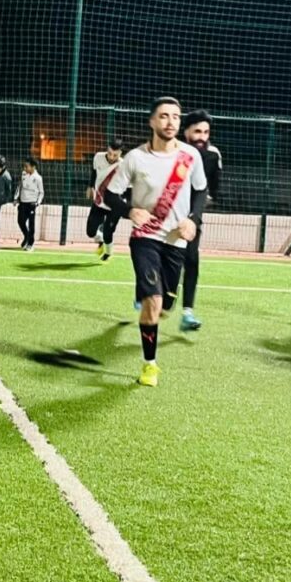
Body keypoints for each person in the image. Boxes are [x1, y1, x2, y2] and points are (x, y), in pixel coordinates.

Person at [104, 97, 207, 387]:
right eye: (164, 116)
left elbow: (201, 191)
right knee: (153, 301)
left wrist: (193, 219)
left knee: (165, 307)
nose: (171, 121)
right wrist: (129, 211)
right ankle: (150, 365)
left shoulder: (190, 156)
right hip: (145, 238)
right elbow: (110, 195)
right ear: (152, 121)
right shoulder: (135, 158)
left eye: (175, 116)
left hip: (176, 241)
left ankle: (150, 295)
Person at [178, 109, 224, 331]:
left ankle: (187, 312)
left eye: (206, 132)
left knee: (191, 260)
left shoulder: (213, 155)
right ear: (186, 132)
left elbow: (214, 188)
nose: (202, 137)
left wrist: (202, 204)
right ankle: (151, 294)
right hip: (165, 216)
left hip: (192, 218)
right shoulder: (174, 151)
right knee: (163, 261)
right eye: (197, 131)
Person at [86, 139, 125, 261]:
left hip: (114, 206)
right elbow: (94, 172)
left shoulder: (123, 166)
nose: (112, 157)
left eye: (115, 155)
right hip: (99, 202)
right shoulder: (98, 157)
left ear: (120, 154)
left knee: (108, 232)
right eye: (110, 153)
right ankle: (101, 240)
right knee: (90, 232)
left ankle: (108, 253)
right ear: (107, 149)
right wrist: (90, 186)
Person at [14, 158, 44, 251]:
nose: (25, 168)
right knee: (20, 221)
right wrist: (16, 198)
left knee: (31, 224)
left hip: (31, 203)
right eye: (24, 166)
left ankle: (30, 243)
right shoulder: (23, 174)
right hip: (22, 202)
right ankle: (26, 236)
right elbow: (19, 186)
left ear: (33, 167)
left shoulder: (38, 178)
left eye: (27, 166)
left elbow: (41, 192)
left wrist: (38, 202)